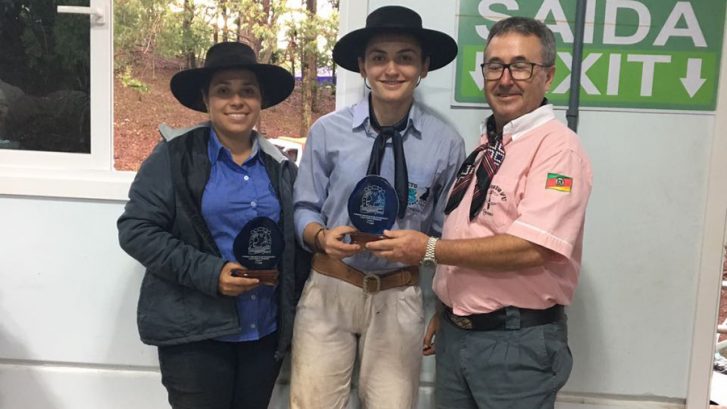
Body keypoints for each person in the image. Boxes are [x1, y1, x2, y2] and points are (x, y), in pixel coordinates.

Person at [367, 16, 593, 409]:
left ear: (549, 76)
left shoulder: (559, 149)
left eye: (521, 65)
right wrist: (450, 307)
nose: (505, 78)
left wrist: (429, 250)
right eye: (494, 66)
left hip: (515, 345)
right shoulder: (488, 145)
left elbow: (531, 248)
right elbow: (470, 229)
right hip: (461, 336)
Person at [117, 42, 310, 409]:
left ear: (260, 100)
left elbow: (293, 241)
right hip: (196, 337)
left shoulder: (280, 166)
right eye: (224, 91)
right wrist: (211, 273)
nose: (236, 101)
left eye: (247, 91)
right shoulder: (174, 156)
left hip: (262, 333)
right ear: (206, 99)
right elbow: (136, 230)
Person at [290, 6, 465, 409]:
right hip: (330, 289)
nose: (391, 69)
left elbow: (446, 233)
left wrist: (424, 252)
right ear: (362, 66)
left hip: (398, 296)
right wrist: (319, 236)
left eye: (405, 57)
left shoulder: (445, 144)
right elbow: (303, 206)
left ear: (423, 67)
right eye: (379, 57)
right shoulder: (327, 132)